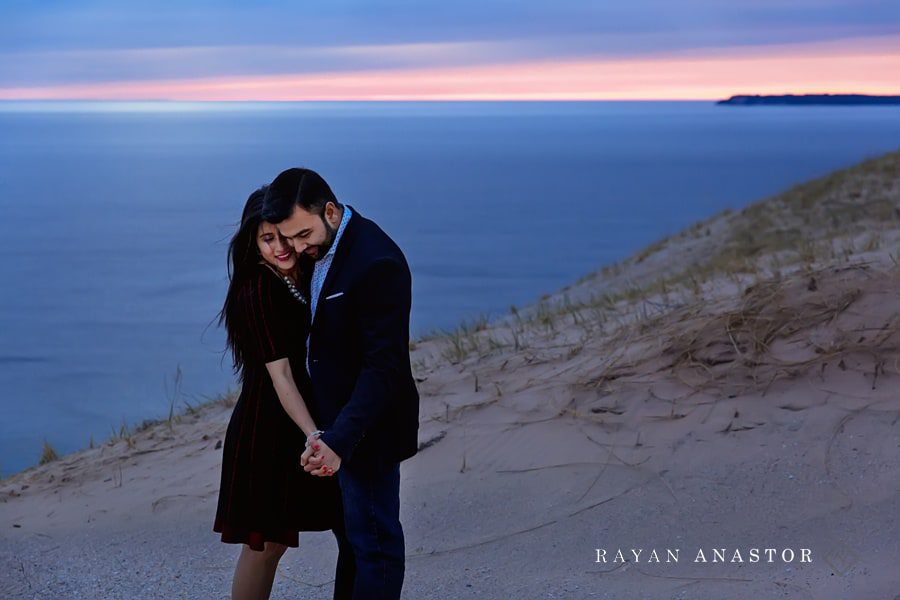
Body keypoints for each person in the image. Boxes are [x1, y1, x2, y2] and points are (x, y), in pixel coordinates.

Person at [262, 168, 420, 600]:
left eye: (303, 233)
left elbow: (383, 368)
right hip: (334, 429)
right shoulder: (320, 252)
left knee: (375, 545)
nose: (296, 247)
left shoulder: (376, 260)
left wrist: (340, 440)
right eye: (287, 237)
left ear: (330, 211)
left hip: (369, 431)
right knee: (353, 542)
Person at [213, 186, 350, 600]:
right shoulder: (257, 290)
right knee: (264, 545)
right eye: (266, 239)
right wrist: (314, 434)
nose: (280, 247)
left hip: (298, 421)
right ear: (252, 243)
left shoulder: (303, 272)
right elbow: (281, 377)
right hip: (267, 428)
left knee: (310, 534)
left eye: (283, 235)